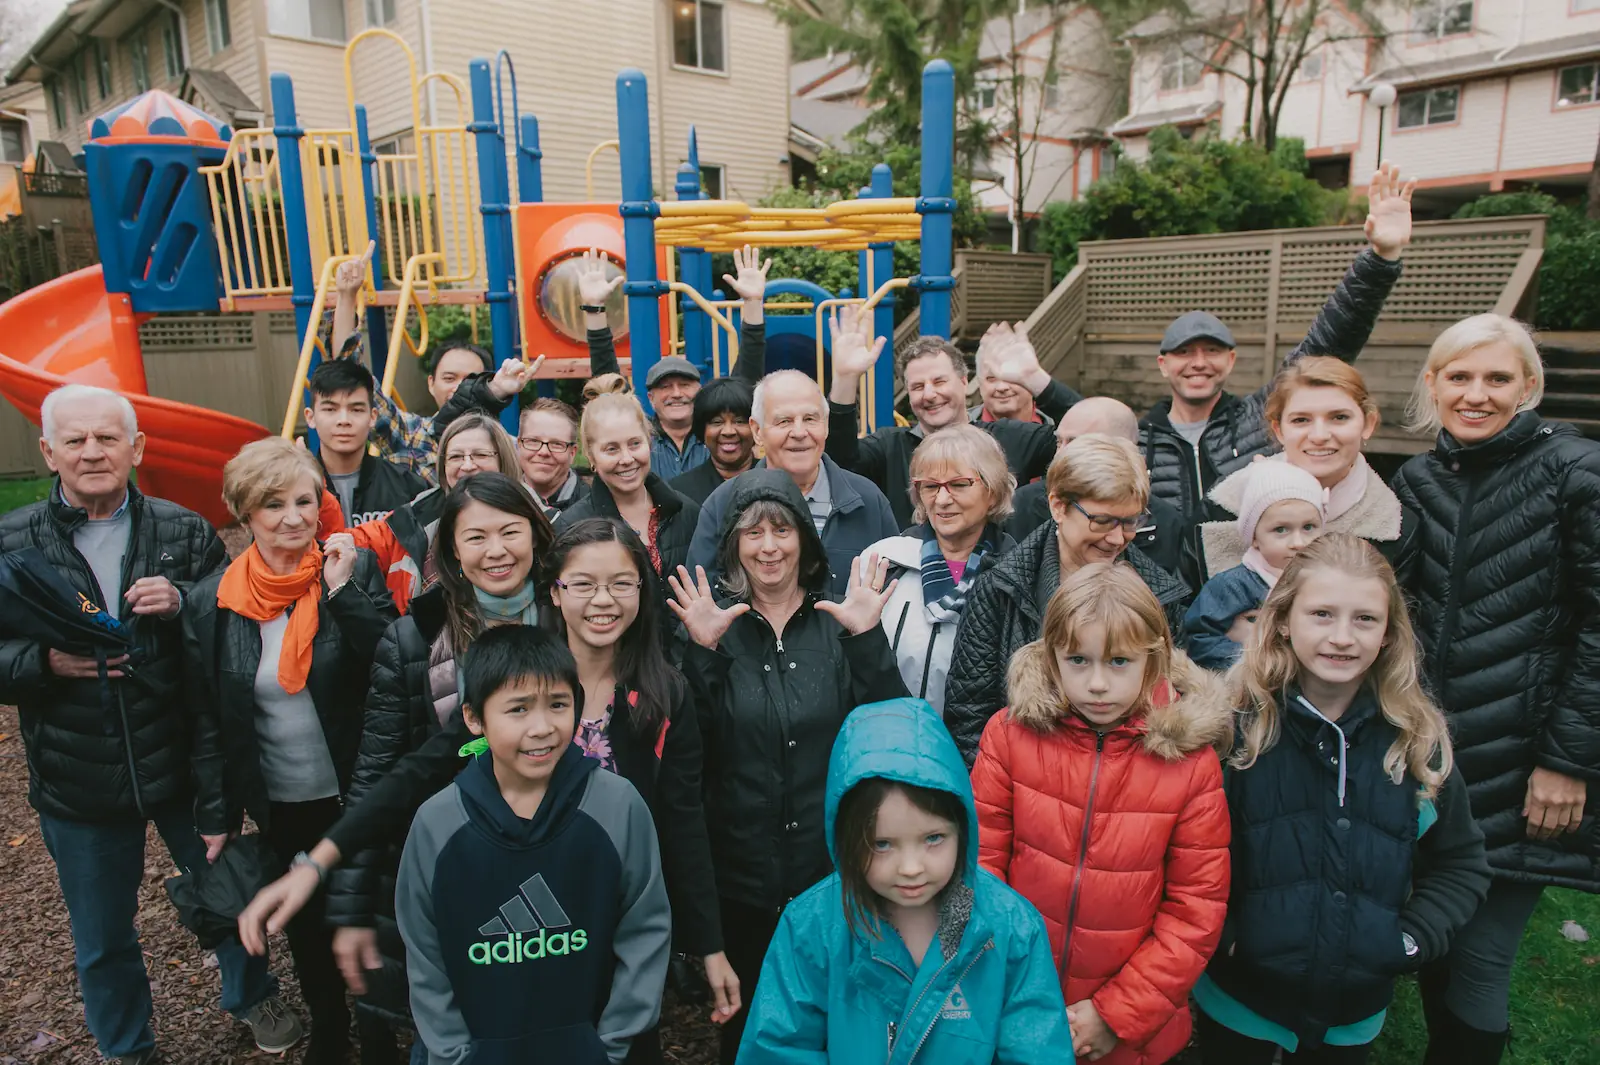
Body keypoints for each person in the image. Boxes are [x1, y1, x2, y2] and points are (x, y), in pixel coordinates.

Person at [0, 384, 295, 1064]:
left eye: (108, 437)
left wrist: (185, 600)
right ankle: (127, 1044)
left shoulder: (183, 528)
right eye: (75, 440)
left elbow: (233, 619)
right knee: (101, 932)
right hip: (78, 773)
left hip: (182, 755)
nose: (93, 451)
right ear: (49, 451)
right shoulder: (14, 542)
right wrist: (41, 661)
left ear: (137, 447)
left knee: (227, 890)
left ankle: (253, 993)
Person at [1388, 314, 1600, 1064]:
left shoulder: (1577, 472)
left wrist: (1570, 762)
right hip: (1438, 760)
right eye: (1460, 377)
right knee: (1436, 945)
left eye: (1497, 378)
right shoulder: (1419, 479)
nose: (1476, 394)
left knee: (1479, 960)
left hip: (1529, 763)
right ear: (1434, 384)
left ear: (1529, 386)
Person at [1193, 534, 1491, 1065]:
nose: (1342, 637)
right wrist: (1228, 936)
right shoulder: (1230, 731)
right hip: (1239, 1002)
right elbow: (1186, 852)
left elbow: (1460, 862)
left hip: (1353, 1016)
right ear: (1282, 619)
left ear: (1389, 634)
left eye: (1365, 620)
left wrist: (1409, 940)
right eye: (1323, 614)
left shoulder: (1415, 744)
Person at [666, 468, 908, 1062]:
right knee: (751, 1039)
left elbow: (895, 738)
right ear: (734, 547)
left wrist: (866, 638)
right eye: (752, 535)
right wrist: (700, 655)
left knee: (842, 1034)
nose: (768, 546)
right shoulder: (716, 630)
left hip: (834, 882)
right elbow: (689, 760)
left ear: (804, 537)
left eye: (781, 530)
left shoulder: (839, 624)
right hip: (742, 887)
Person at [324, 473, 558, 1050]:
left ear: (538, 535)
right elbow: (381, 772)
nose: (496, 550)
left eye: (511, 531)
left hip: (561, 868)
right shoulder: (413, 641)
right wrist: (352, 904)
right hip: (455, 877)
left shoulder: (573, 622)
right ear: (450, 550)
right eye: (475, 537)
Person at [185, 437, 398, 1065]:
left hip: (358, 787)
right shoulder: (213, 604)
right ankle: (330, 1028)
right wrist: (217, 814)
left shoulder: (347, 573)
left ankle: (382, 1028)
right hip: (281, 795)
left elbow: (392, 660)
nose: (294, 517)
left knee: (373, 909)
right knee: (305, 923)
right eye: (274, 505)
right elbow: (207, 717)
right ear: (246, 514)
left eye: (306, 501)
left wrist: (343, 592)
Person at [973, 563, 1231, 1065]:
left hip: (1130, 1031)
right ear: (1051, 658)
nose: (1096, 683)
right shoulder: (1009, 736)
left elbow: (1195, 909)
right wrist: (1006, 985)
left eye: (1118, 662)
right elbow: (979, 870)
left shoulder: (1189, 763)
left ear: (1152, 661)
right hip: (1015, 1002)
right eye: (1078, 660)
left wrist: (1116, 1016)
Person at [735, 697, 1076, 1064]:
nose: (911, 867)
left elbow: (1037, 1052)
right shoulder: (813, 926)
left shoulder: (1007, 927)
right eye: (882, 844)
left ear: (963, 828)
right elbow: (777, 1050)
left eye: (933, 839)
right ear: (845, 838)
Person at [395, 625, 671, 1064]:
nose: (542, 727)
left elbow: (645, 931)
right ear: (474, 718)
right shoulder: (437, 823)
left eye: (557, 704)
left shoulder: (618, 806)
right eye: (518, 709)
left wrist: (610, 1047)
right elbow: (425, 955)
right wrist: (453, 1055)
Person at [1139, 163, 1413, 527]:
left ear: (1231, 359)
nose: (1199, 362)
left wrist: (1380, 261)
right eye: (1185, 352)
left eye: (1212, 351)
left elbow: (1331, 340)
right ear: (1163, 364)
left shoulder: (1261, 417)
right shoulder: (1139, 440)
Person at [943, 434, 1190, 765]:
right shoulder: (1000, 589)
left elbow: (1172, 711)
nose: (1118, 538)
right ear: (1058, 506)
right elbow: (969, 716)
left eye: (1131, 522)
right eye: (1102, 521)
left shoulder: (1159, 596)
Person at [825, 306, 1079, 529]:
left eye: (939, 381)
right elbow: (838, 463)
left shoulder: (1011, 437)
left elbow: (1096, 437)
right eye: (917, 387)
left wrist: (1036, 380)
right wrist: (845, 379)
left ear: (964, 381)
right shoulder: (889, 447)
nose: (929, 394)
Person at [329, 240, 537, 480]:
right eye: (449, 378)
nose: (459, 387)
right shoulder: (411, 435)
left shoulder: (510, 449)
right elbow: (349, 376)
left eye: (470, 380)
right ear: (430, 383)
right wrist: (346, 296)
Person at [1194, 358, 1415, 579]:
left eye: (1339, 417)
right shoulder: (1225, 504)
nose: (1319, 436)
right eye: (1301, 420)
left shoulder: (1397, 527)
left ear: (1368, 423)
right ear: (1279, 430)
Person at [686, 370, 898, 596]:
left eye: (810, 419)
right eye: (784, 421)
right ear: (757, 431)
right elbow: (704, 600)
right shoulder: (724, 503)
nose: (799, 432)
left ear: (825, 425)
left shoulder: (866, 500)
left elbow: (895, 592)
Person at [582, 246, 769, 479]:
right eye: (665, 386)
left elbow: (747, 373)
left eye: (685, 384)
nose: (676, 393)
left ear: (700, 391)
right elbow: (607, 383)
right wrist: (594, 309)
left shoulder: (715, 433)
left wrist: (752, 303)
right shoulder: (637, 437)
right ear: (650, 398)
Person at [865, 425, 1016, 712]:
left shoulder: (1016, 574)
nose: (942, 500)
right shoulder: (884, 561)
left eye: (959, 484)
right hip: (891, 737)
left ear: (994, 493)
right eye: (931, 486)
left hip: (979, 748)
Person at [347, 413, 525, 614]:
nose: (467, 466)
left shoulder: (535, 516)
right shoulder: (415, 516)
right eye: (456, 457)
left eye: (480, 455)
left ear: (503, 459)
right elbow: (358, 541)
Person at [1007, 395, 1193, 586]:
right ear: (1058, 507)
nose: (1060, 454)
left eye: (1075, 444)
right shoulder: (1022, 506)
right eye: (1058, 442)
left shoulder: (1168, 524)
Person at [1182, 461, 1325, 671]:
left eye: (1309, 527)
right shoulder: (1233, 585)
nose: (1298, 542)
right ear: (1255, 537)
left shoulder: (1329, 582)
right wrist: (1248, 661)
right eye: (1281, 529)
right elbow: (1199, 637)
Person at [557, 393, 701, 582]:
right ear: (591, 457)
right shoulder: (572, 526)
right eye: (612, 449)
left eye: (635, 444)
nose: (626, 459)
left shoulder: (685, 511)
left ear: (649, 443)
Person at [304, 357, 429, 526]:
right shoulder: (295, 488)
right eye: (330, 409)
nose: (344, 420)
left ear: (372, 417)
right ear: (310, 418)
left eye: (356, 410)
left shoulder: (408, 487)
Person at [669, 376, 756, 505]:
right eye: (717, 422)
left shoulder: (776, 481)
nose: (728, 431)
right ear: (702, 430)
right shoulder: (679, 492)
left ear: (756, 427)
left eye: (739, 421)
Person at [970, 321, 1058, 426]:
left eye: (1011, 378)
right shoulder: (959, 429)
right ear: (980, 385)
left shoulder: (1061, 428)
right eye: (991, 378)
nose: (1002, 387)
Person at [519, 397, 590, 515]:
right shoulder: (500, 502)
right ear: (520, 445)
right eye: (533, 441)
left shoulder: (594, 509)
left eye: (556, 444)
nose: (544, 452)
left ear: (572, 453)